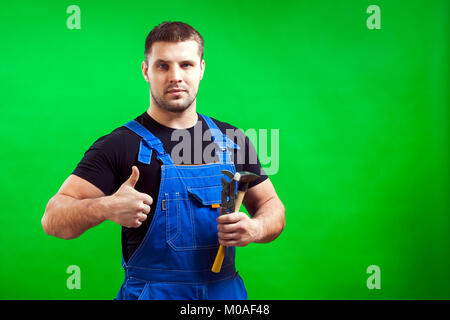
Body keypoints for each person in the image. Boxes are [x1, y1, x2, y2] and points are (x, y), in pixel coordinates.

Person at [41, 21, 285, 300]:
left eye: (186, 64)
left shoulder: (233, 140)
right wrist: (105, 207)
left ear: (202, 69)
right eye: (163, 66)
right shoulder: (120, 145)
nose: (176, 76)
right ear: (146, 70)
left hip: (224, 294)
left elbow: (271, 206)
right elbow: (53, 218)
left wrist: (257, 228)